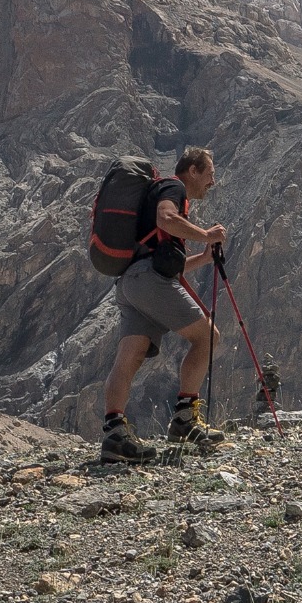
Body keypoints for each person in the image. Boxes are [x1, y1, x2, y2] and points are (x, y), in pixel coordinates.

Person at [100, 147, 227, 463]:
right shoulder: (174, 187)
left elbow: (165, 260)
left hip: (131, 282)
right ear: (193, 170)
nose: (212, 182)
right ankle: (185, 420)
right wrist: (206, 234)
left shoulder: (159, 192)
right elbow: (167, 219)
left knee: (130, 356)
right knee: (208, 338)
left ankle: (114, 434)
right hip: (149, 281)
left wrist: (202, 258)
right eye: (209, 175)